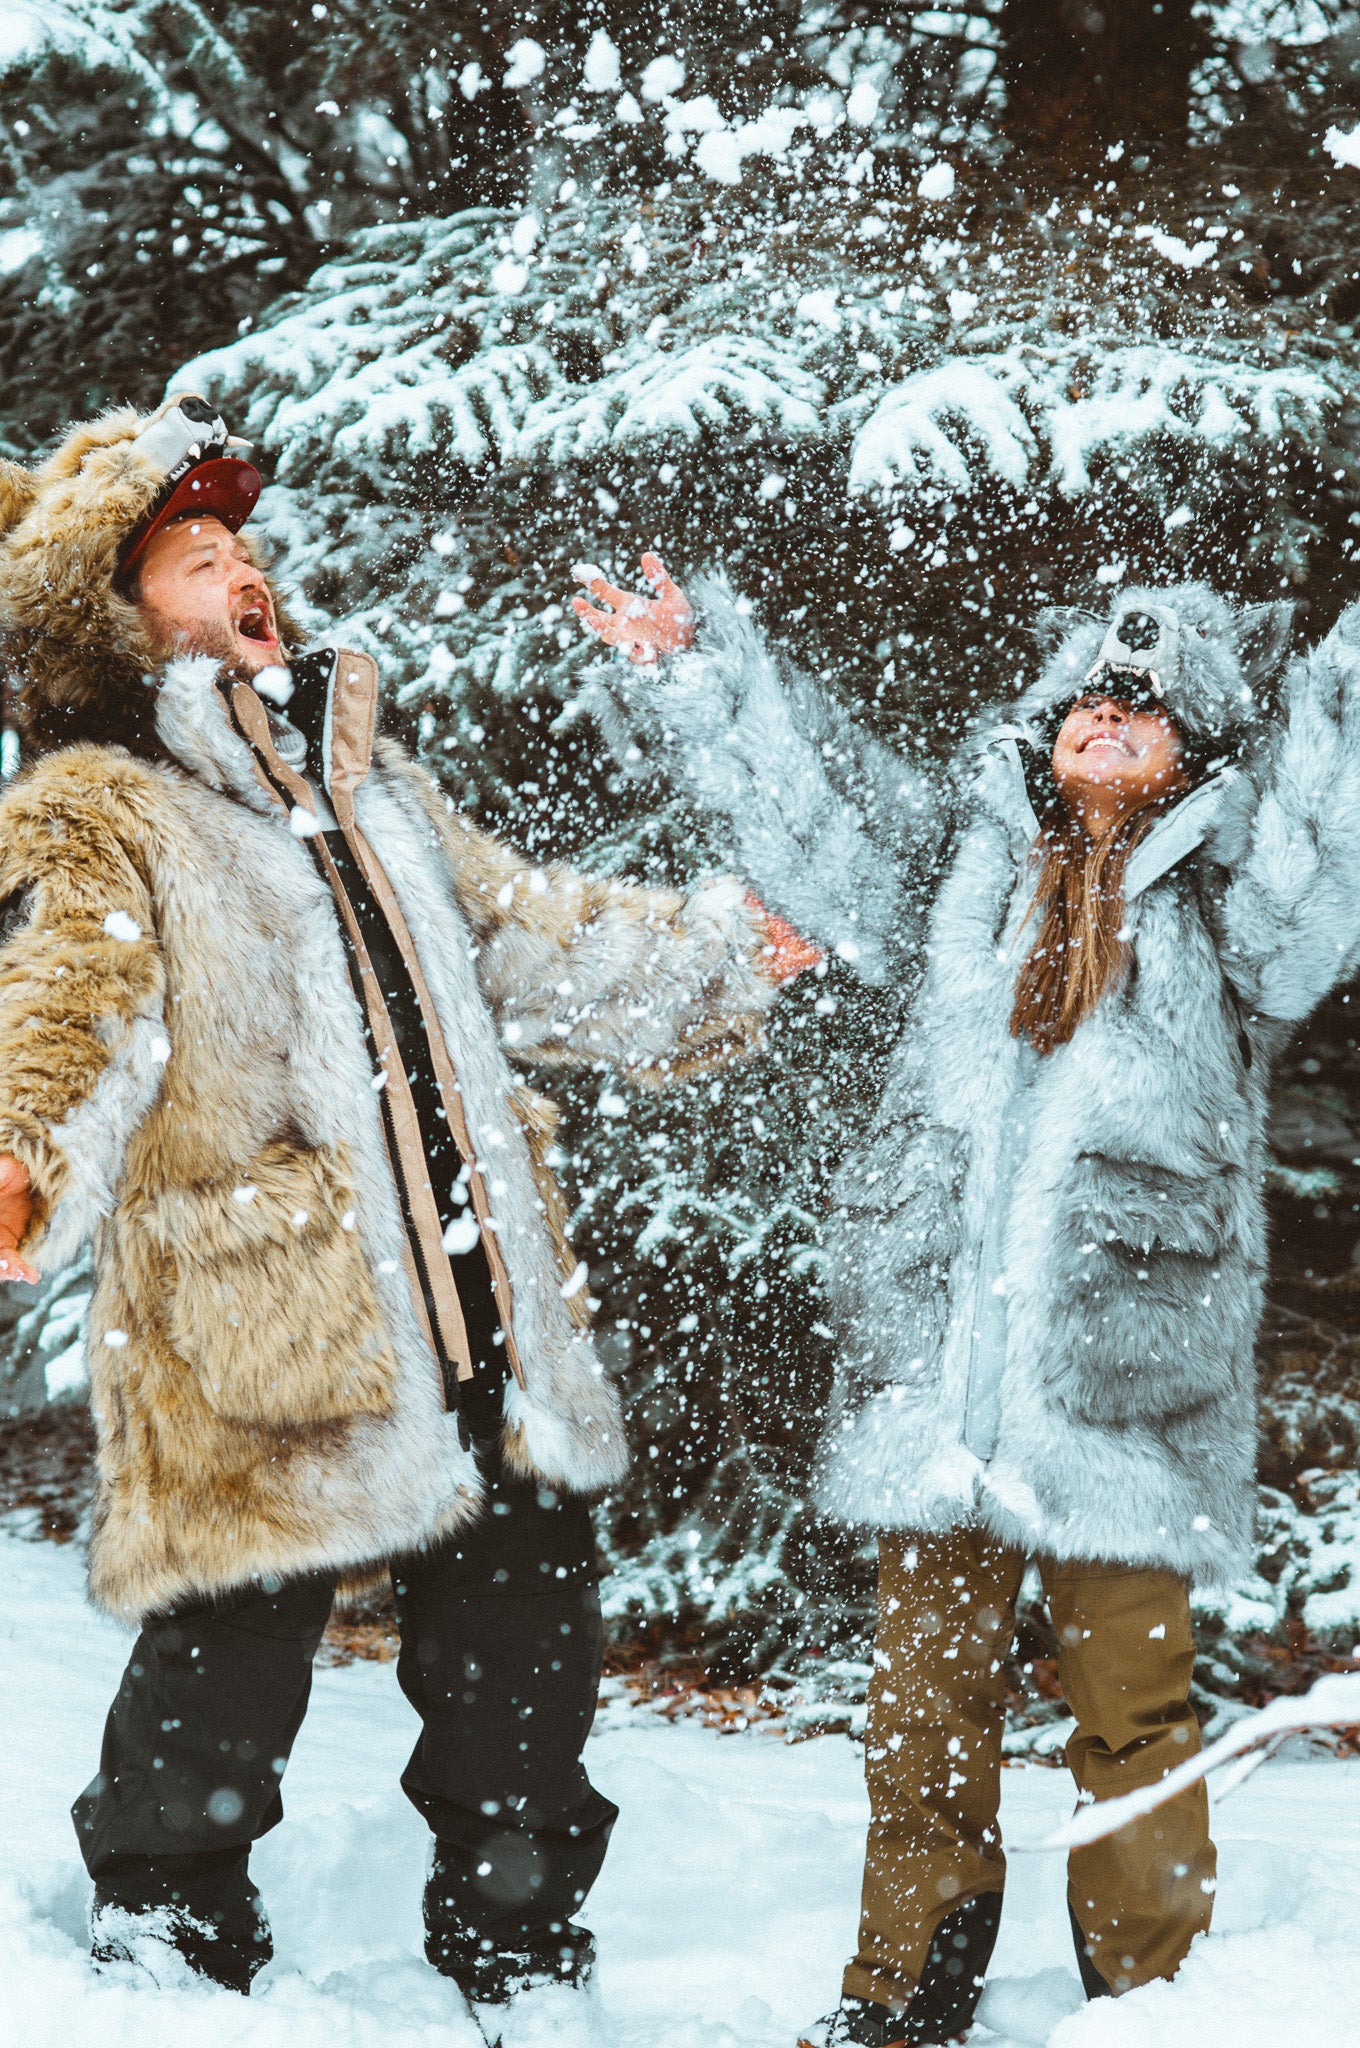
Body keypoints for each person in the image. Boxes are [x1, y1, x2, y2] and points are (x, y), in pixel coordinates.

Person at [0, 398, 817, 2022]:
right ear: (111, 614)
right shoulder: (105, 807)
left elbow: (531, 938)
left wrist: (717, 953)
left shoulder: (377, 797)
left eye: (245, 546)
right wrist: (25, 1146)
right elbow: (72, 995)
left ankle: (517, 1949)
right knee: (221, 1662)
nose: (246, 571)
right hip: (267, 1317)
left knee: (524, 1666)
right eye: (197, 555)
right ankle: (167, 1934)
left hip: (480, 1304)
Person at [575, 557, 1360, 2043]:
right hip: (933, 1376)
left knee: (1138, 1723)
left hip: (1121, 1386)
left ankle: (1152, 2003)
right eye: (1094, 694)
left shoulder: (1231, 913)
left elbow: (1327, 841)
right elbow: (808, 810)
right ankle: (903, 1994)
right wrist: (700, 672)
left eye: (1150, 702)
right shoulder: (961, 858)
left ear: (1193, 746)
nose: (1113, 713)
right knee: (925, 1723)